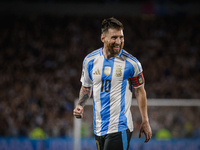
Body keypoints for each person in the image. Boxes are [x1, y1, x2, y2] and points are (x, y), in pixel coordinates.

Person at [73, 17, 152, 150]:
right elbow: (86, 87)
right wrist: (80, 105)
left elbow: (139, 91)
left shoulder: (132, 64)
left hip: (120, 126)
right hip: (99, 128)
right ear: (103, 38)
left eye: (121, 37)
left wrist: (145, 120)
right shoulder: (90, 61)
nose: (119, 41)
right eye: (114, 37)